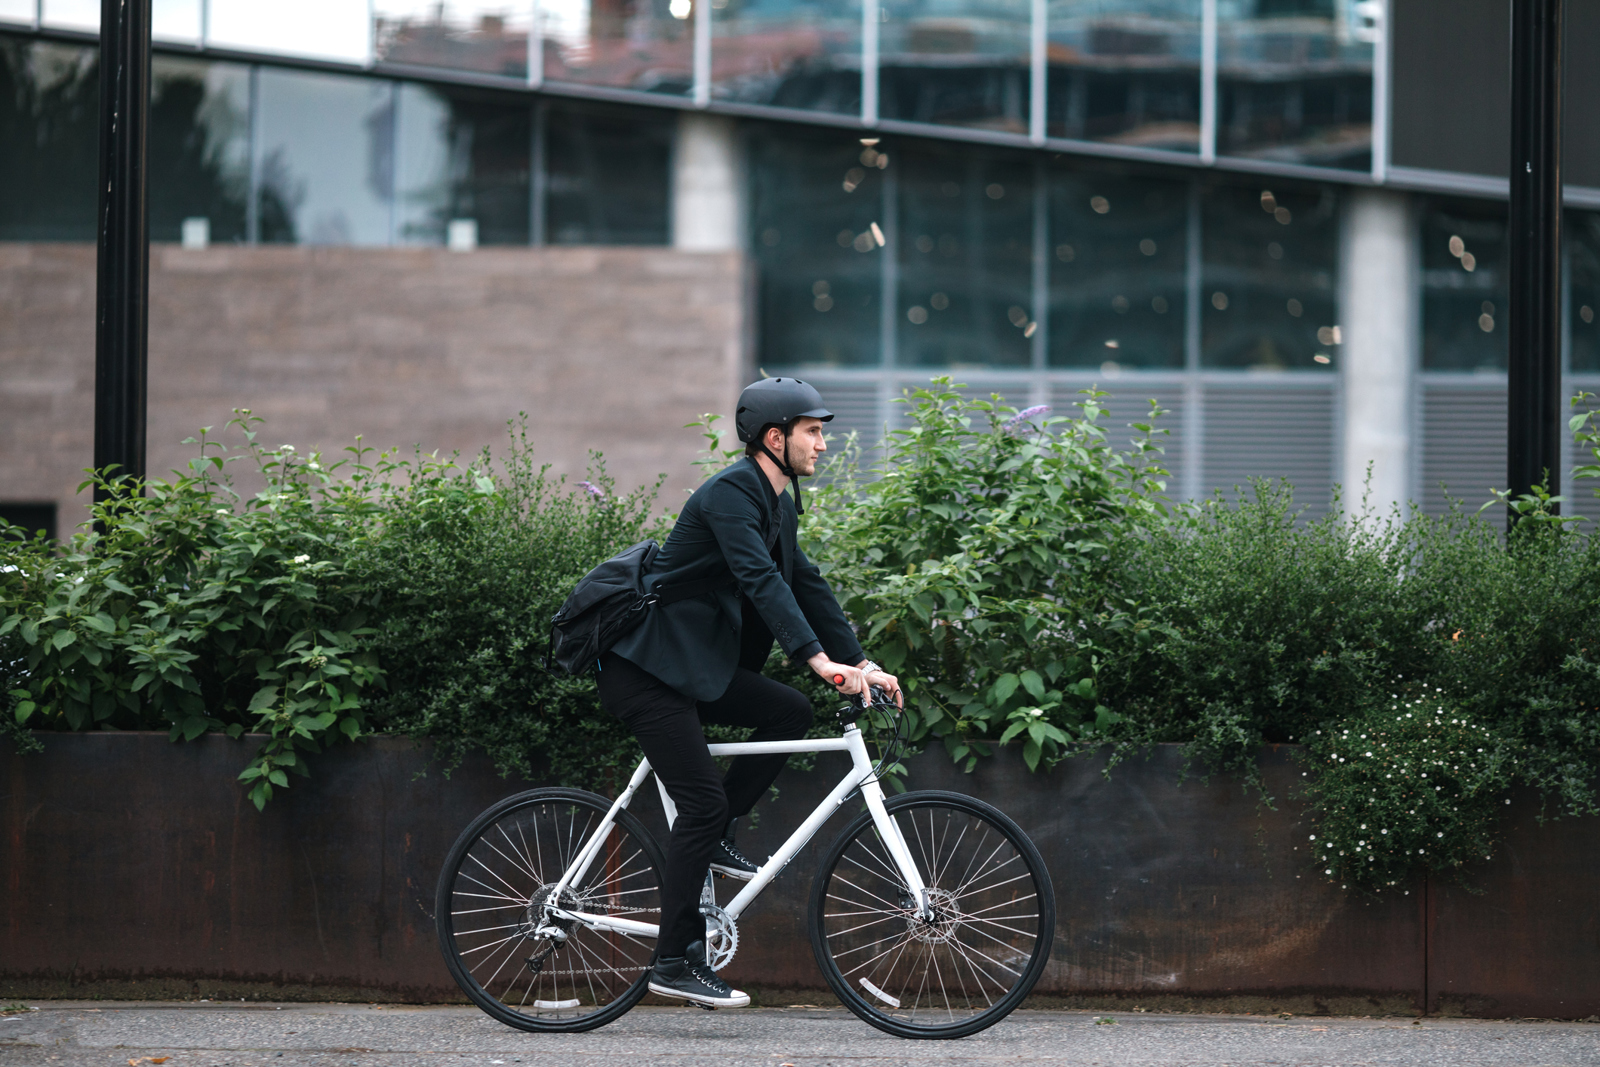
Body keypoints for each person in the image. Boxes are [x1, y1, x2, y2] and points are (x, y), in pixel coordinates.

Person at [599, 377, 902, 1009]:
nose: (823, 443)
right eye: (813, 431)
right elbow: (759, 580)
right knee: (702, 805)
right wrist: (818, 662)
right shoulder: (731, 495)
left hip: (689, 670)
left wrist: (860, 662)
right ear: (775, 437)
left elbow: (806, 583)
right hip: (646, 670)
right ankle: (673, 962)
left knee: (787, 711)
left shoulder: (779, 503)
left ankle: (713, 834)